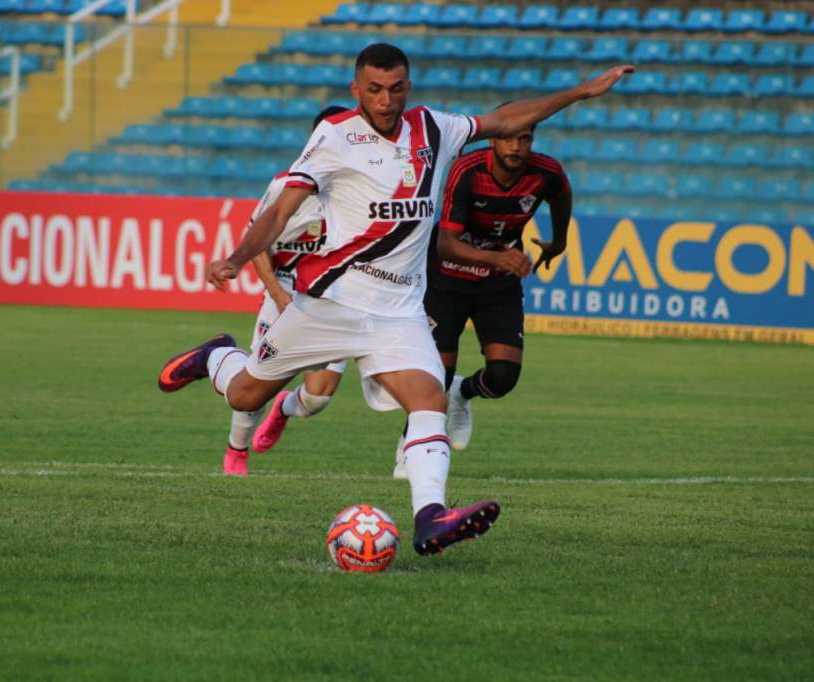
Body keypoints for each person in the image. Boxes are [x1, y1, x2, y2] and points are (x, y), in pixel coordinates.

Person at [159, 42, 631, 556]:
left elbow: (504, 120)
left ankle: (430, 517)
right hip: (331, 304)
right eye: (375, 90)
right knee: (246, 395)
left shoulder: (434, 128)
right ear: (357, 90)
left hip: (399, 312)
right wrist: (238, 255)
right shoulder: (334, 137)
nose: (386, 101)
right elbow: (280, 210)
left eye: (396, 88)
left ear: (408, 86)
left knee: (429, 400)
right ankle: (215, 355)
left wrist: (582, 92)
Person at [393, 107, 573, 478]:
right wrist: (497, 258)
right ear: (494, 138)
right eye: (509, 137)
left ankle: (464, 394)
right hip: (448, 279)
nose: (516, 146)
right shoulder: (468, 171)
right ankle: (409, 448)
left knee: (504, 376)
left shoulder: (546, 172)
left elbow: (561, 194)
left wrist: (559, 242)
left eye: (525, 138)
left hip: (497, 281)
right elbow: (445, 245)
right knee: (435, 378)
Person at [220, 105, 351, 477]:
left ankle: (283, 409)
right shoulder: (286, 185)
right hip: (287, 290)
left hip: (333, 298)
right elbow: (257, 241)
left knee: (318, 397)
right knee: (254, 385)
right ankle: (236, 453)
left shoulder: (362, 193)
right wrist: (277, 295)